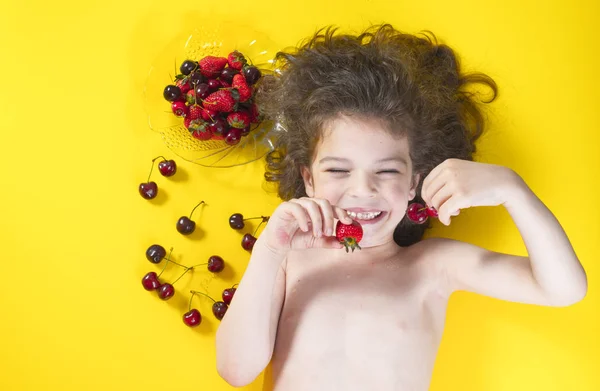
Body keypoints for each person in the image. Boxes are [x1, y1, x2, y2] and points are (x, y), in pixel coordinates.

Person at [215, 24, 588, 390]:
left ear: (414, 182)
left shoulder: (432, 265)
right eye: (339, 169)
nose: (363, 189)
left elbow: (562, 290)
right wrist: (269, 250)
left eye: (388, 170)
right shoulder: (287, 261)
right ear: (308, 178)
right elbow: (236, 371)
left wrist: (513, 190)